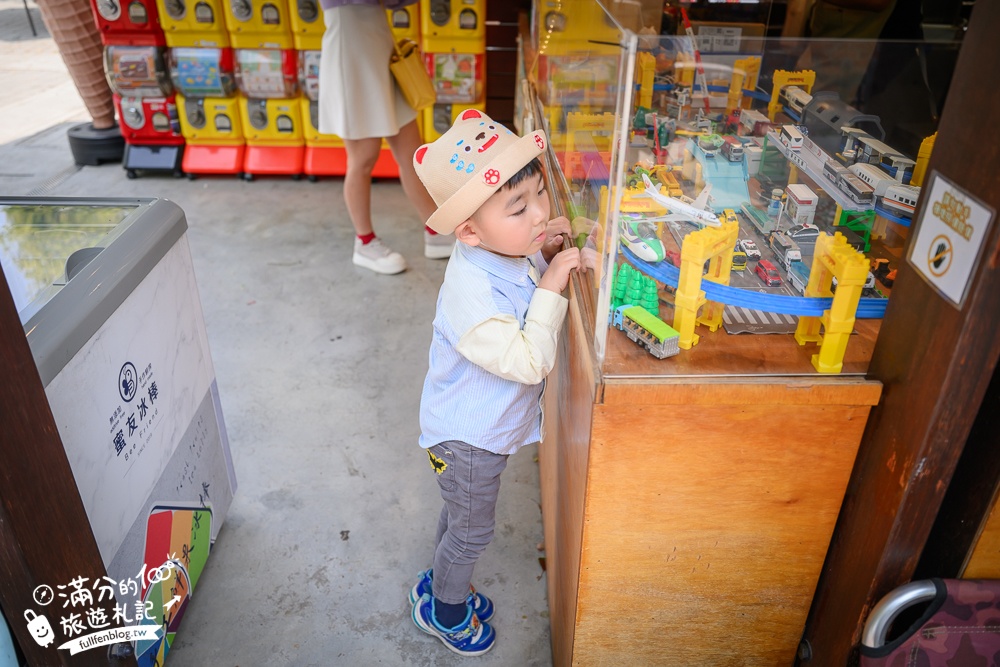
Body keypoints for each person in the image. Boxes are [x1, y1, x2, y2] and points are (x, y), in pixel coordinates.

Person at [406, 109, 581, 655]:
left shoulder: (500, 246)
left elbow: (527, 254)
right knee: (472, 531)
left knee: (460, 515)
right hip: (467, 442)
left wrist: (544, 248)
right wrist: (553, 280)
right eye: (518, 207)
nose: (538, 215)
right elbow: (530, 361)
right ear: (469, 231)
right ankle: (447, 611)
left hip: (479, 435)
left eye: (539, 195)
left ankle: (438, 584)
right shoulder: (471, 297)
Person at [318, 0, 452, 274]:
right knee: (363, 158)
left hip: (379, 45)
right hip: (351, 48)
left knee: (413, 154)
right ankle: (364, 242)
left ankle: (435, 230)